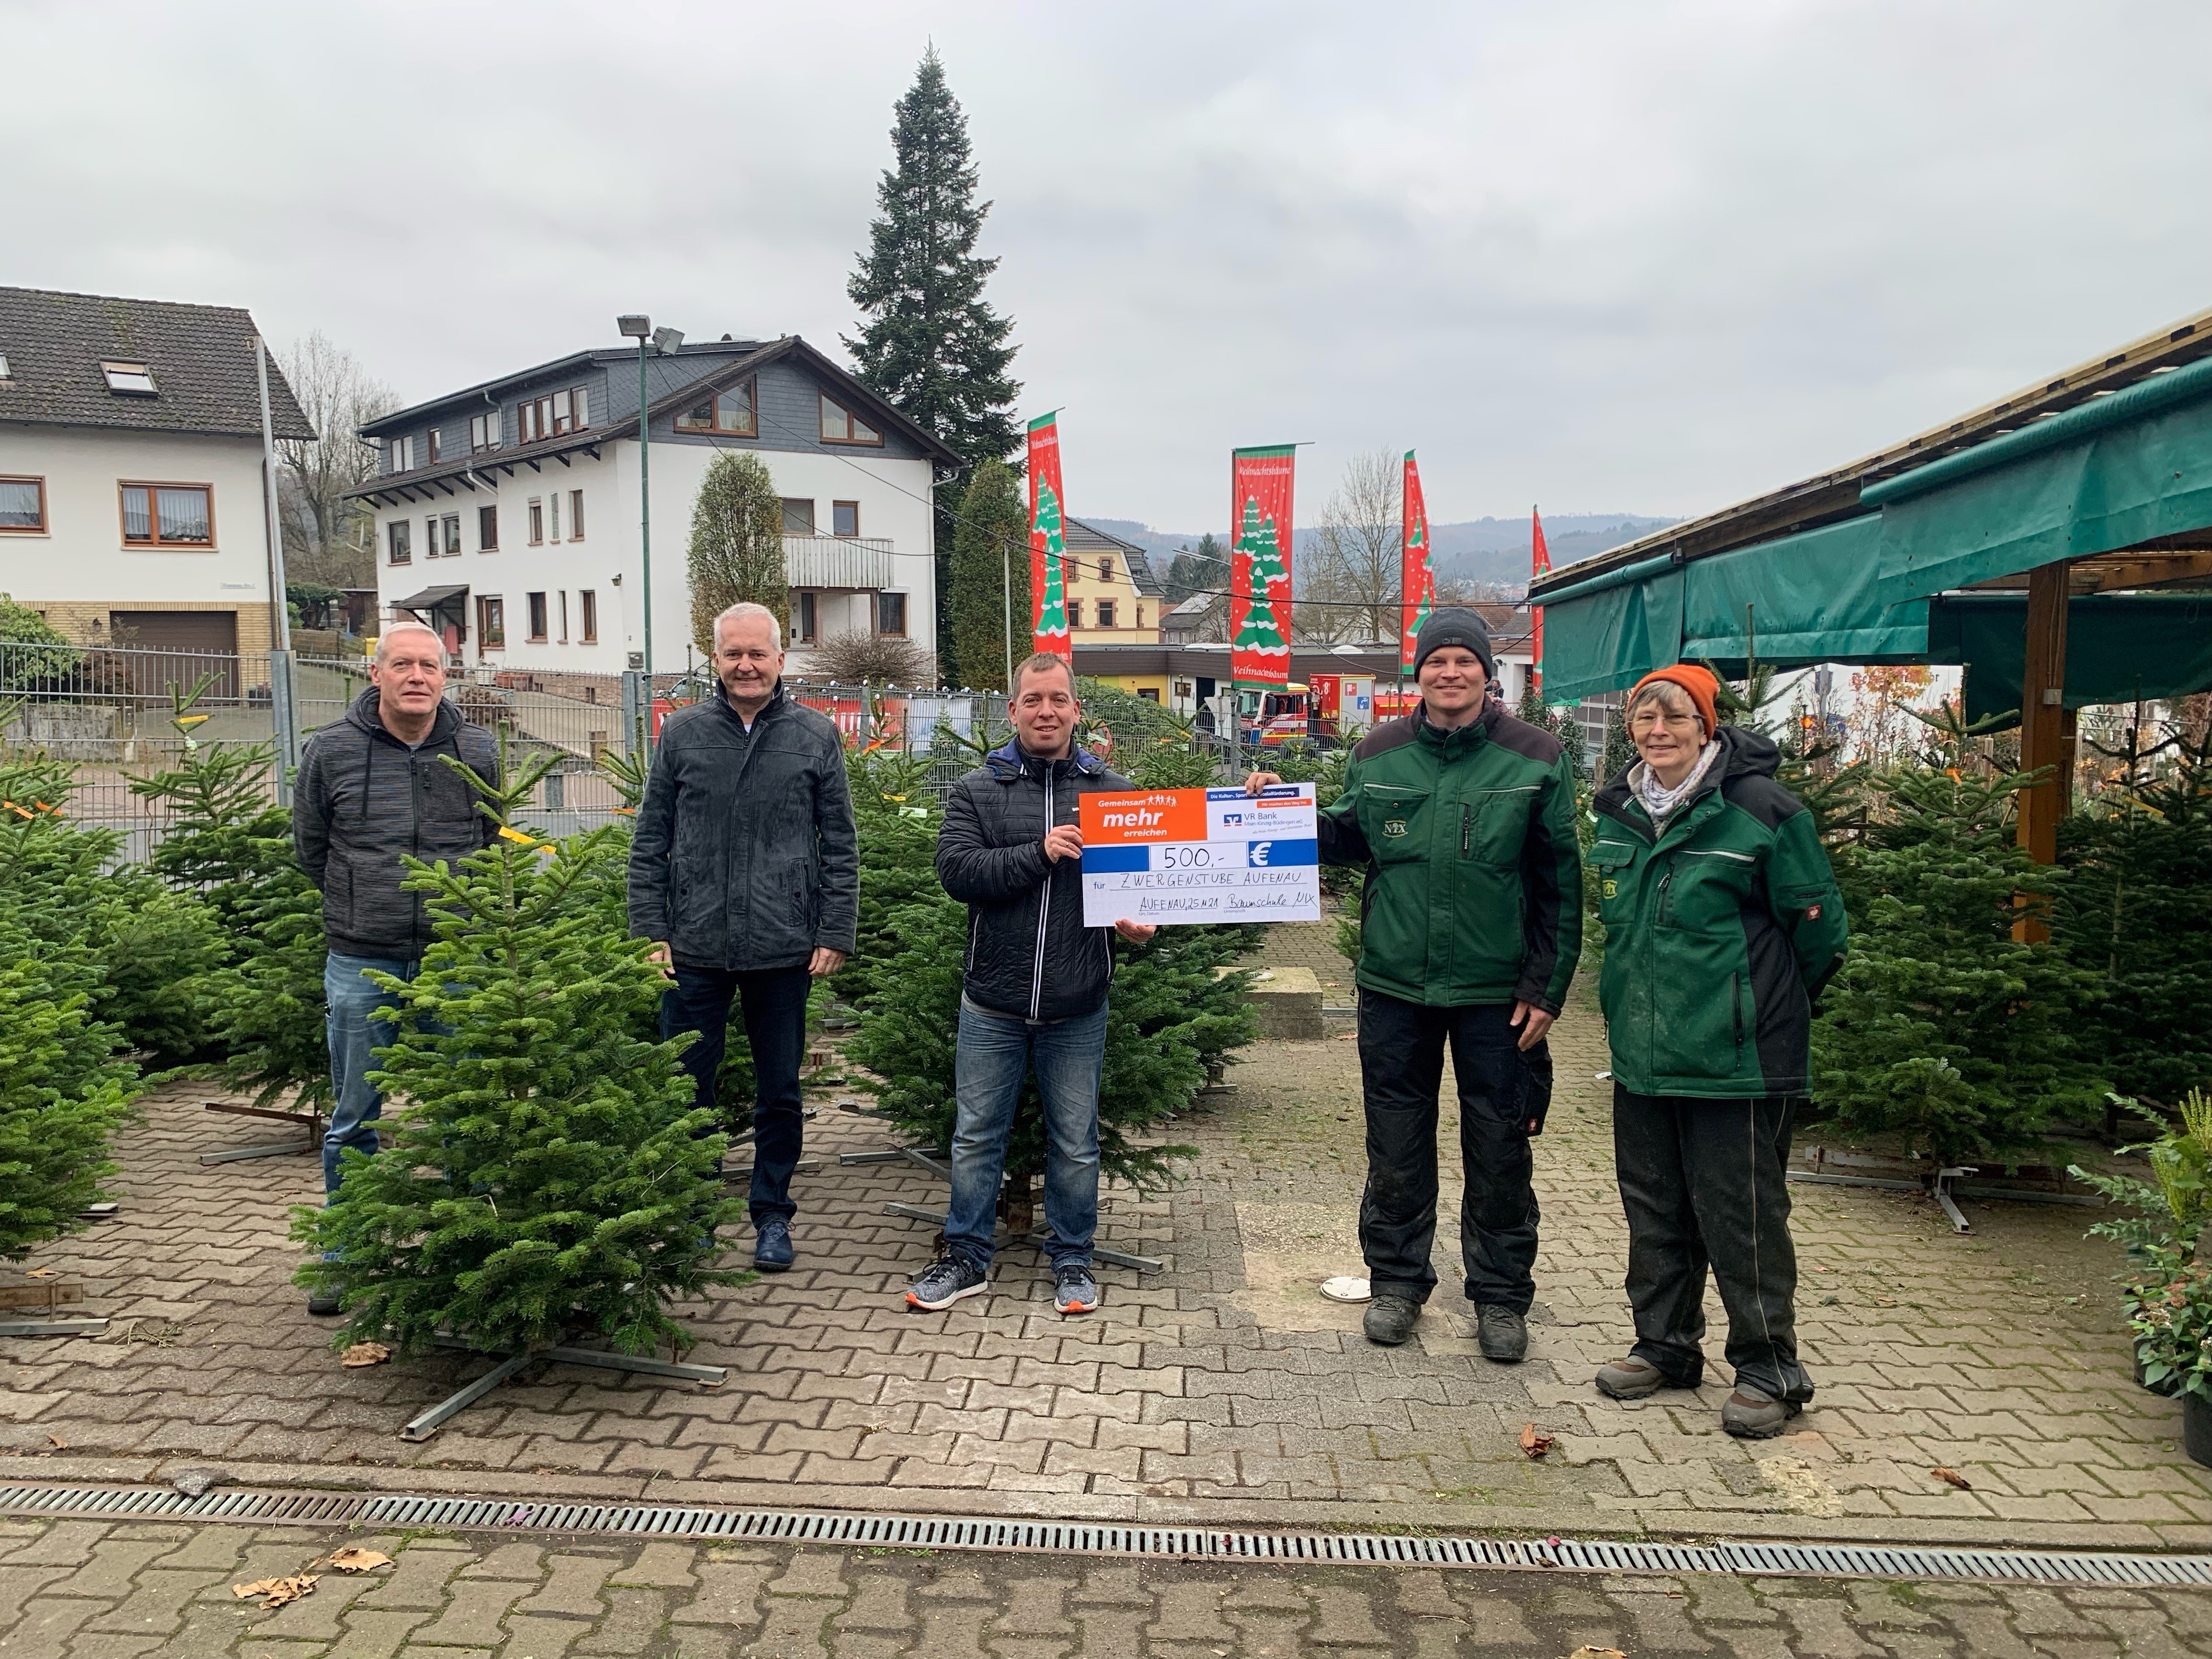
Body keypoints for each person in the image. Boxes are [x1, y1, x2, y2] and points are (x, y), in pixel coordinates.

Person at [1247, 607, 1582, 1359]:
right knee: (1396, 1145)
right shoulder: (1379, 752)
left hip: (1498, 994)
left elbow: (1560, 883)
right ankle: (1397, 1283)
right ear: (1419, 672)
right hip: (1396, 987)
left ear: (1486, 674)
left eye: (1465, 661)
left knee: (1500, 1148)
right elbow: (1345, 836)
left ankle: (1501, 1297)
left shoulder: (1537, 757)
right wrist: (1278, 803)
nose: (1450, 673)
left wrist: (1547, 987)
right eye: (1437, 661)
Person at [1587, 664, 1847, 1438]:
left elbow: (1820, 934)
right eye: (1645, 718)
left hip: (1738, 1059)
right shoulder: (1620, 813)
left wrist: (1758, 1008)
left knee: (1744, 1216)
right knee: (1654, 1208)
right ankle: (1665, 1346)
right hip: (1644, 1055)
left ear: (1707, 726)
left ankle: (1770, 1370)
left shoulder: (1762, 810)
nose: (1658, 731)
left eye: (1675, 717)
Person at [906, 652, 1156, 1316]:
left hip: (1078, 1003)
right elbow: (958, 872)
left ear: (1077, 710)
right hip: (993, 1001)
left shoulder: (1117, 793)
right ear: (1013, 710)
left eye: (1058, 700)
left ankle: (1073, 1259)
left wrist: (1138, 925)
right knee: (976, 1136)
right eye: (1034, 700)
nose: (1047, 711)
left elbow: (1141, 887)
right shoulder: (977, 790)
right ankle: (966, 1257)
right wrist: (1039, 852)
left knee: (1075, 1143)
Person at [628, 602, 857, 1273]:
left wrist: (834, 929)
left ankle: (772, 1216)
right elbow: (650, 840)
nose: (746, 665)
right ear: (716, 659)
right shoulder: (683, 734)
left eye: (758, 653)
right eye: (734, 654)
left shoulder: (814, 735)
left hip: (783, 945)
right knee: (686, 1086)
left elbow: (840, 845)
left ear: (780, 659)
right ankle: (693, 1213)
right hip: (694, 945)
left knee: (779, 1090)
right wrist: (650, 929)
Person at [294, 621, 499, 1316]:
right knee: (355, 1112)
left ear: (446, 676)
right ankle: (347, 1250)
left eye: (429, 666)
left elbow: (491, 839)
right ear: (375, 673)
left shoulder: (477, 749)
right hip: (361, 955)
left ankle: (469, 1241)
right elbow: (312, 846)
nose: (417, 677)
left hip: (454, 954)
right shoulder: (332, 750)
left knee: (464, 1107)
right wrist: (364, 901)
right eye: (403, 665)